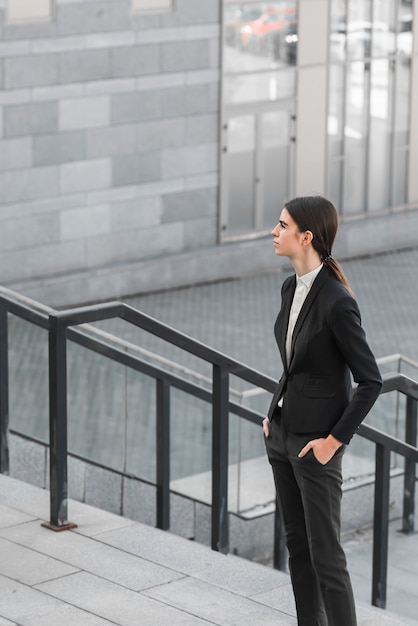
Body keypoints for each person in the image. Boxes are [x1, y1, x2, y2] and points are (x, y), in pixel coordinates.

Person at [263, 195, 382, 626]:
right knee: (299, 550)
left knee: (327, 557)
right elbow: (295, 364)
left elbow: (371, 382)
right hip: (281, 437)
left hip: (317, 447)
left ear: (306, 236)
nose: (273, 232)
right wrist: (272, 410)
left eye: (282, 225)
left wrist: (334, 441)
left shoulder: (337, 301)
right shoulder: (289, 287)